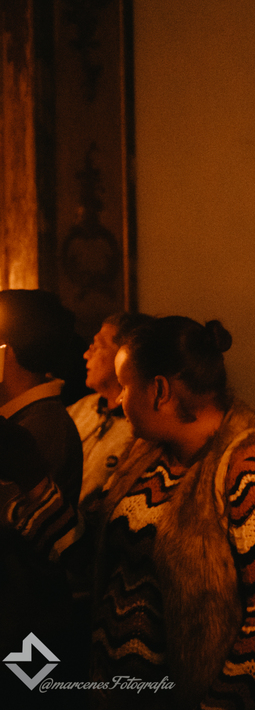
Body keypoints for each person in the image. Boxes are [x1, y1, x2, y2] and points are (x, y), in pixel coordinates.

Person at [3, 316, 255, 708]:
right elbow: (92, 556)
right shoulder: (148, 455)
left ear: (159, 391)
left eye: (124, 386)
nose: (118, 401)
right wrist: (33, 480)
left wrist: (218, 705)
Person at [0, 289, 85, 678]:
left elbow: (13, 524)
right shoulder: (22, 420)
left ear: (5, 354)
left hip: (27, 629)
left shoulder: (43, 426)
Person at [69, 311, 152, 507]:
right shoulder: (79, 410)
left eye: (97, 347)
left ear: (126, 356)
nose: (86, 355)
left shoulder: (143, 430)